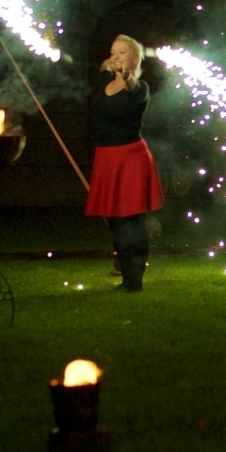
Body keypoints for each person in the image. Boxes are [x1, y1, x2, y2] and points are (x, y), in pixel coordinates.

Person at [85, 35, 164, 292]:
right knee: (115, 220)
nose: (116, 56)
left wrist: (127, 75)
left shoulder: (139, 88)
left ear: (135, 58)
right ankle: (125, 272)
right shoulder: (105, 80)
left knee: (131, 219)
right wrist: (107, 65)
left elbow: (131, 85)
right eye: (113, 51)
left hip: (130, 159)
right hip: (107, 158)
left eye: (122, 52)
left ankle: (134, 280)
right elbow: (102, 71)